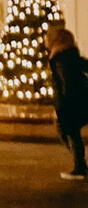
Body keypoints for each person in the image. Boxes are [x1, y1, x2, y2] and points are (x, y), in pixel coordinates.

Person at [48, 26, 88, 180]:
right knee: (71, 132)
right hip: (79, 98)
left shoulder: (60, 59)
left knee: (68, 132)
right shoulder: (70, 54)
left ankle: (80, 167)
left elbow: (66, 82)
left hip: (70, 101)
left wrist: (63, 104)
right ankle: (80, 165)